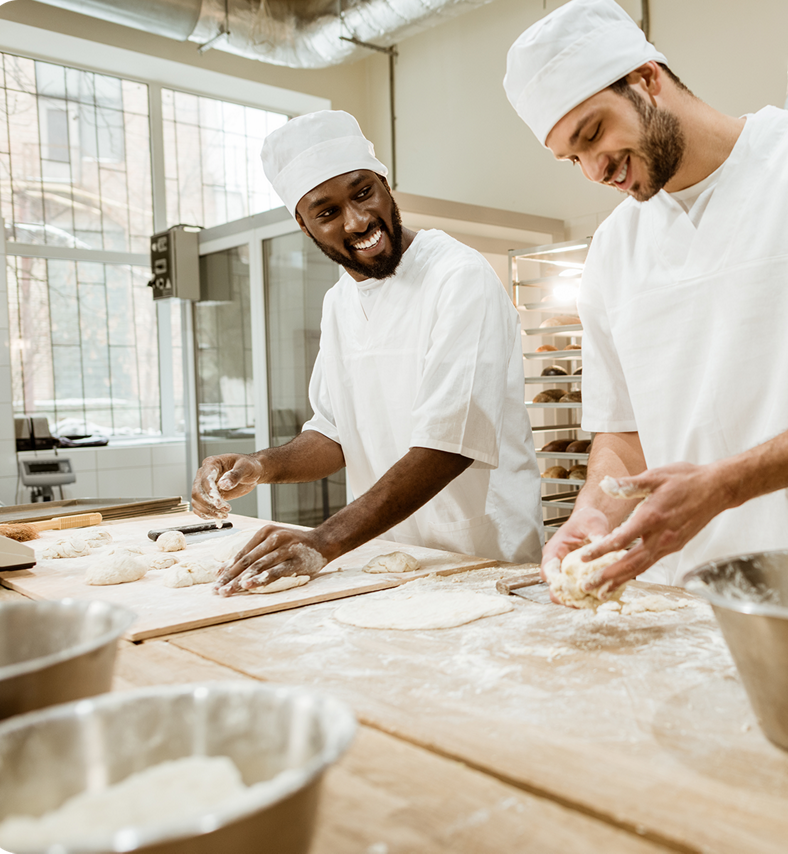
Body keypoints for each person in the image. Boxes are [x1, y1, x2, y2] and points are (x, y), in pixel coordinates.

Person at [503, 0, 788, 599]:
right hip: (682, 590)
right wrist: (596, 511)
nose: (594, 170)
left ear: (647, 79)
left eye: (593, 133)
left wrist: (723, 486)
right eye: (572, 157)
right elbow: (622, 434)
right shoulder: (615, 247)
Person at [192, 110, 542, 595]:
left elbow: (450, 444)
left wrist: (323, 541)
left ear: (384, 182)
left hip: (481, 556)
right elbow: (334, 434)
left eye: (363, 193)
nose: (357, 221)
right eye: (327, 212)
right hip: (386, 557)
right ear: (304, 224)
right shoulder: (339, 302)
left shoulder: (459, 276)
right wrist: (260, 465)